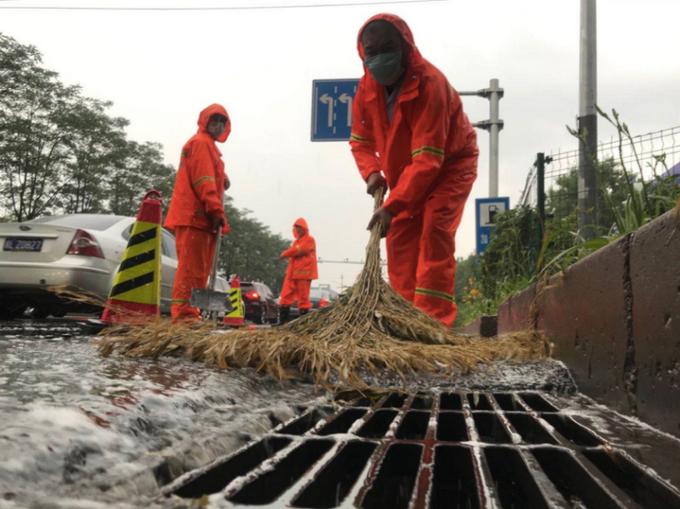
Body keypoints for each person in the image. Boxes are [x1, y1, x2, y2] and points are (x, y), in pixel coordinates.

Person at [349, 14, 478, 327]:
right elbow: (360, 141)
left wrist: (391, 206)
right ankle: (406, 321)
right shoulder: (367, 89)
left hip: (450, 166)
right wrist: (371, 173)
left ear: (406, 47)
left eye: (388, 47)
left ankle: (432, 326)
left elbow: (429, 161)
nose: (379, 57)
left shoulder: (430, 85)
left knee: (434, 229)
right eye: (372, 51)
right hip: (407, 173)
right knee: (401, 241)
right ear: (363, 54)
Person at [164, 104, 231, 322]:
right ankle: (184, 316)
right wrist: (216, 209)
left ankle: (190, 313)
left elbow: (207, 174)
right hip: (195, 216)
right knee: (191, 270)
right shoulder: (201, 144)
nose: (218, 125)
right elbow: (204, 181)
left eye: (222, 121)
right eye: (214, 120)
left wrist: (223, 178)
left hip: (199, 218)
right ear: (204, 121)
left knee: (198, 270)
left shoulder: (207, 146)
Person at [278, 218, 318, 323]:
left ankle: (303, 323)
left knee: (303, 298)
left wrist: (285, 254)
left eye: (299, 228)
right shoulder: (296, 242)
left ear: (304, 229)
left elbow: (299, 250)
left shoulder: (309, 240)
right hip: (293, 274)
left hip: (304, 274)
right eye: (296, 228)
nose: (298, 230)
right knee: (285, 295)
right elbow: (295, 251)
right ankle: (283, 322)